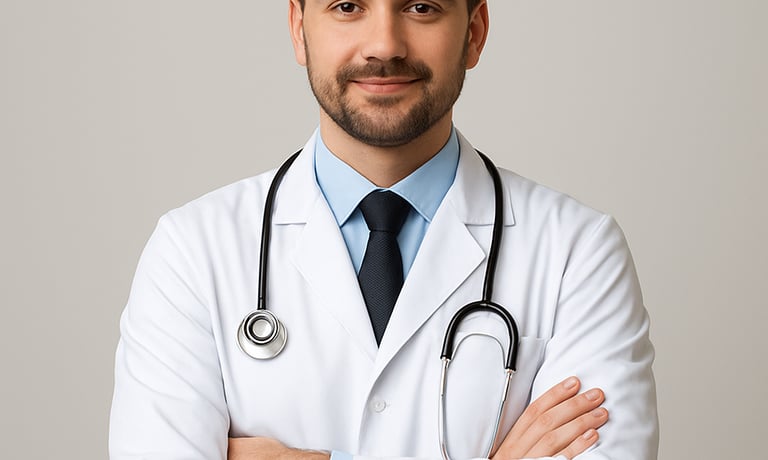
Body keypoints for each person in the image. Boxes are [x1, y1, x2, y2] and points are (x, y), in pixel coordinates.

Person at [109, 1, 658, 459]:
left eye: (421, 7)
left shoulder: (578, 251)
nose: (385, 45)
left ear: (475, 30)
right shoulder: (192, 251)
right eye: (348, 7)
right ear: (300, 30)